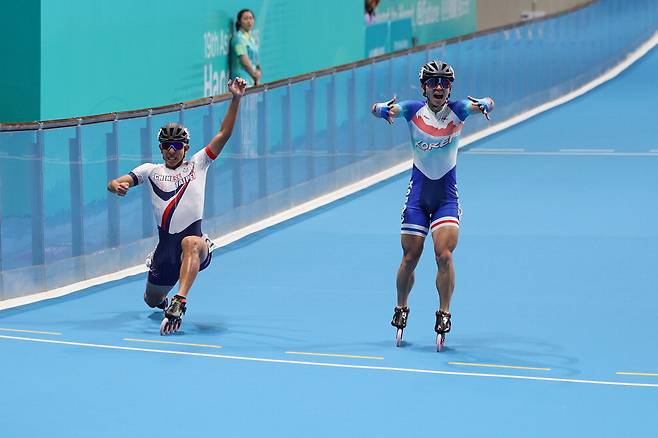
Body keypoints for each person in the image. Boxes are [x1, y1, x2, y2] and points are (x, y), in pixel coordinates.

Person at [107, 77, 248, 335]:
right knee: (150, 300)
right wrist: (116, 185)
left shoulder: (198, 164)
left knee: (191, 243)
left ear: (185, 148)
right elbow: (117, 180)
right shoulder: (150, 170)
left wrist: (236, 99)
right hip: (165, 250)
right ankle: (165, 302)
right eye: (166, 146)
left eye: (176, 146)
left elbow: (224, 133)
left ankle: (179, 301)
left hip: (195, 245)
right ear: (161, 149)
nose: (171, 151)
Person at [371, 60, 494, 351]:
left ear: (450, 87)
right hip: (418, 196)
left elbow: (489, 102)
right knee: (410, 256)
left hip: (445, 198)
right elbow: (380, 108)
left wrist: (485, 103)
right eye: (433, 82)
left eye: (445, 82)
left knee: (444, 255)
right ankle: (401, 306)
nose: (439, 87)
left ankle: (444, 313)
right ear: (424, 87)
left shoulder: (459, 110)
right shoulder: (414, 110)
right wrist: (381, 110)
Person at [230, 9, 261, 86]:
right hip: (241, 79)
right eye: (245, 19)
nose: (249, 21)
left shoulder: (252, 38)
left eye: (251, 18)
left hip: (252, 79)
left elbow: (256, 61)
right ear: (239, 22)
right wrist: (254, 75)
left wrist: (258, 73)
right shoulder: (238, 38)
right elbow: (244, 60)